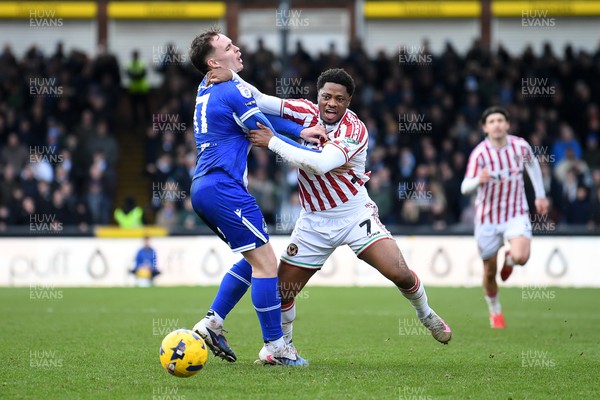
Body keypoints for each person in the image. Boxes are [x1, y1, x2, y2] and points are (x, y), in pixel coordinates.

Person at [205, 67, 453, 363]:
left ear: (349, 101)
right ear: (318, 96)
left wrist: (272, 141)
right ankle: (283, 350)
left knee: (399, 272)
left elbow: (321, 164)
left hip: (353, 214)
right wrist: (231, 75)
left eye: (339, 99)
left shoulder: (355, 130)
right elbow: (258, 98)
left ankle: (426, 314)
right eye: (326, 97)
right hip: (313, 222)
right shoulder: (303, 111)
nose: (331, 103)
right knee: (283, 293)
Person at [187, 28, 325, 366]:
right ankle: (276, 348)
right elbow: (263, 132)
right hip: (224, 188)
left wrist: (300, 131)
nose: (236, 47)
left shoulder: (207, 88)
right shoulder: (230, 88)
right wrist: (309, 148)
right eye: (227, 46)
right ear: (213, 61)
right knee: (267, 264)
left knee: (252, 262)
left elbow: (258, 116)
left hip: (204, 188)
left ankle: (212, 323)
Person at [461, 106, 549, 328]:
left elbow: (533, 166)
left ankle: (510, 258)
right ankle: (495, 311)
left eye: (501, 120)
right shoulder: (480, 153)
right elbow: (464, 187)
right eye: (492, 121)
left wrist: (540, 195)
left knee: (521, 257)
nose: (497, 124)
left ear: (507, 124)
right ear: (485, 127)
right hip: (487, 218)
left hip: (515, 212)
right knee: (489, 271)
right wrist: (478, 180)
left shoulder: (520, 146)